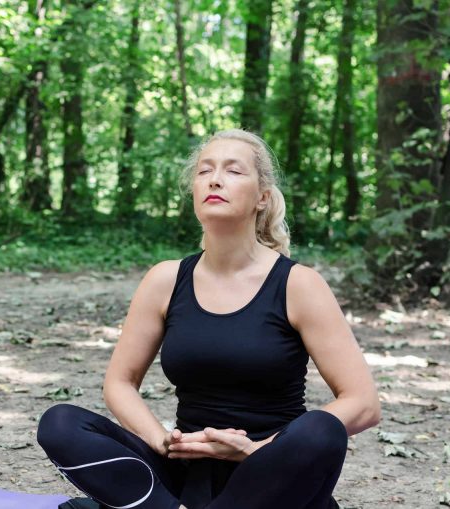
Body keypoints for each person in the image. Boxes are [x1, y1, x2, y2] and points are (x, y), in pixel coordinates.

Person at [37, 129, 381, 509]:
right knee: (60, 423)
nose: (215, 179)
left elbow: (363, 403)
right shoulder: (165, 280)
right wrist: (161, 439)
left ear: (263, 198)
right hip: (186, 473)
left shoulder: (298, 284)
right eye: (205, 171)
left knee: (321, 430)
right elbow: (120, 383)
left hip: (272, 475)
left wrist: (256, 448)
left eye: (233, 171)